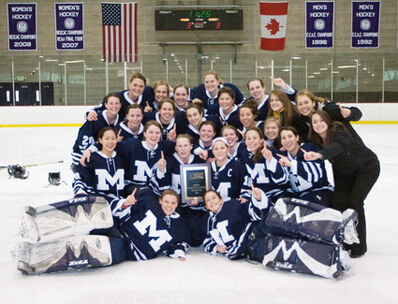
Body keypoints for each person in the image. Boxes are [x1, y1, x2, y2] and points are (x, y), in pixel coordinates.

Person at [15, 189, 189, 274]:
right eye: (167, 201)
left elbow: (177, 244)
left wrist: (179, 252)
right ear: (161, 200)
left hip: (126, 250)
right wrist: (126, 204)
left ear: (177, 204)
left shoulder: (180, 226)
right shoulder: (149, 202)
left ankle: (34, 261)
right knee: (85, 214)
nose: (169, 206)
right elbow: (121, 212)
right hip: (117, 229)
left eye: (173, 203)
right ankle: (37, 222)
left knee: (82, 249)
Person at [303, 110, 380, 257]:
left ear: (327, 121)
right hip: (344, 173)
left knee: (355, 202)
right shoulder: (316, 140)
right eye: (314, 122)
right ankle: (342, 239)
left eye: (321, 120)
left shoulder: (338, 131)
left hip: (366, 167)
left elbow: (338, 147)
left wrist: (320, 155)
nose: (318, 124)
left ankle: (359, 246)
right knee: (338, 202)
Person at [81, 120, 175, 196]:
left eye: (157, 133)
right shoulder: (132, 145)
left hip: (152, 188)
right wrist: (90, 149)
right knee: (147, 194)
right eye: (151, 132)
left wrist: (172, 139)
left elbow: (182, 147)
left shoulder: (165, 147)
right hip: (133, 188)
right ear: (144, 133)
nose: (154, 136)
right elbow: (110, 145)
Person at [202, 182, 269, 260]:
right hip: (248, 252)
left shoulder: (233, 205)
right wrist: (216, 247)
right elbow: (207, 240)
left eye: (214, 198)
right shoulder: (210, 221)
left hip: (255, 240)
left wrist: (258, 198)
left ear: (221, 200)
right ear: (206, 207)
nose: (212, 201)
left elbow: (255, 214)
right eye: (208, 200)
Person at [273, 126, 334, 206]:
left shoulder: (308, 148)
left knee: (302, 208)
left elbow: (316, 174)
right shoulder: (282, 156)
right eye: (283, 138)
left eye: (290, 136)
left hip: (319, 191)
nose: (287, 140)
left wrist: (292, 164)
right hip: (300, 195)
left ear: (297, 138)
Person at [73, 127, 128, 202]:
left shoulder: (122, 159)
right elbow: (79, 179)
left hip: (118, 204)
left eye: (113, 138)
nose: (110, 142)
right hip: (97, 203)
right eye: (107, 139)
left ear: (117, 140)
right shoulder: (91, 159)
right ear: (100, 140)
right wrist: (80, 193)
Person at [71, 93, 122, 167]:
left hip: (102, 153)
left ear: (120, 105)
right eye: (111, 103)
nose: (114, 106)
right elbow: (83, 141)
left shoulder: (121, 121)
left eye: (117, 103)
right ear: (106, 105)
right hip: (82, 155)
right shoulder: (95, 119)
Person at [295, 89, 363, 143]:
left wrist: (350, 114)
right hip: (336, 153)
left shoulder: (329, 109)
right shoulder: (302, 120)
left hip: (354, 148)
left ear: (313, 103)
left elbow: (357, 113)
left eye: (306, 102)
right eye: (300, 104)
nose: (303, 106)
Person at [241, 127, 288, 203]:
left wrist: (271, 160)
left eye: (254, 138)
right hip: (258, 195)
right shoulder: (246, 155)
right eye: (248, 139)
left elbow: (283, 180)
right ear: (245, 142)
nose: (251, 141)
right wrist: (245, 196)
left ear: (261, 140)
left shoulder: (271, 152)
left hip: (277, 194)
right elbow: (249, 178)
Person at [87, 72, 153, 120]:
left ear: (144, 87)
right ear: (129, 84)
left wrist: (148, 113)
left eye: (141, 86)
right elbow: (98, 108)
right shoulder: (118, 97)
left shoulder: (148, 94)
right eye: (135, 85)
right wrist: (90, 113)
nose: (137, 89)